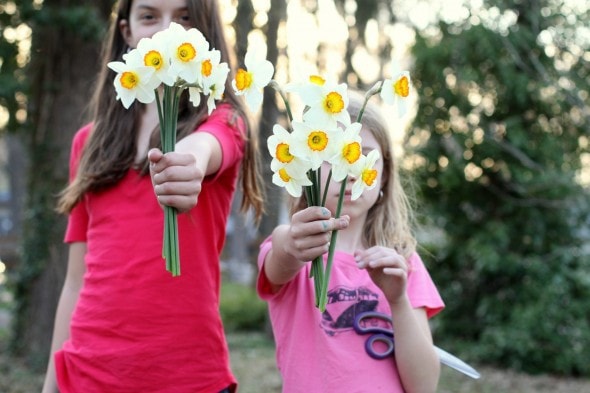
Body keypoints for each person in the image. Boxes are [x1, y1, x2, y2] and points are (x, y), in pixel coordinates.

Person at [41, 0, 263, 392]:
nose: (167, 31)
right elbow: (76, 280)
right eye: (149, 16)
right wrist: (51, 383)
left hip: (188, 376)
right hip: (88, 370)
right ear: (126, 32)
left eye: (184, 17)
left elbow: (206, 147)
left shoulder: (225, 120)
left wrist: (189, 163)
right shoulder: (88, 143)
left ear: (206, 32)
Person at [256, 92, 445, 393]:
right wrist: (291, 242)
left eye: (361, 154)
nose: (350, 172)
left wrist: (398, 301)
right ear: (307, 168)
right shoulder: (297, 248)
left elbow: (424, 385)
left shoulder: (403, 261)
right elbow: (282, 254)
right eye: (332, 158)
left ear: (384, 175)